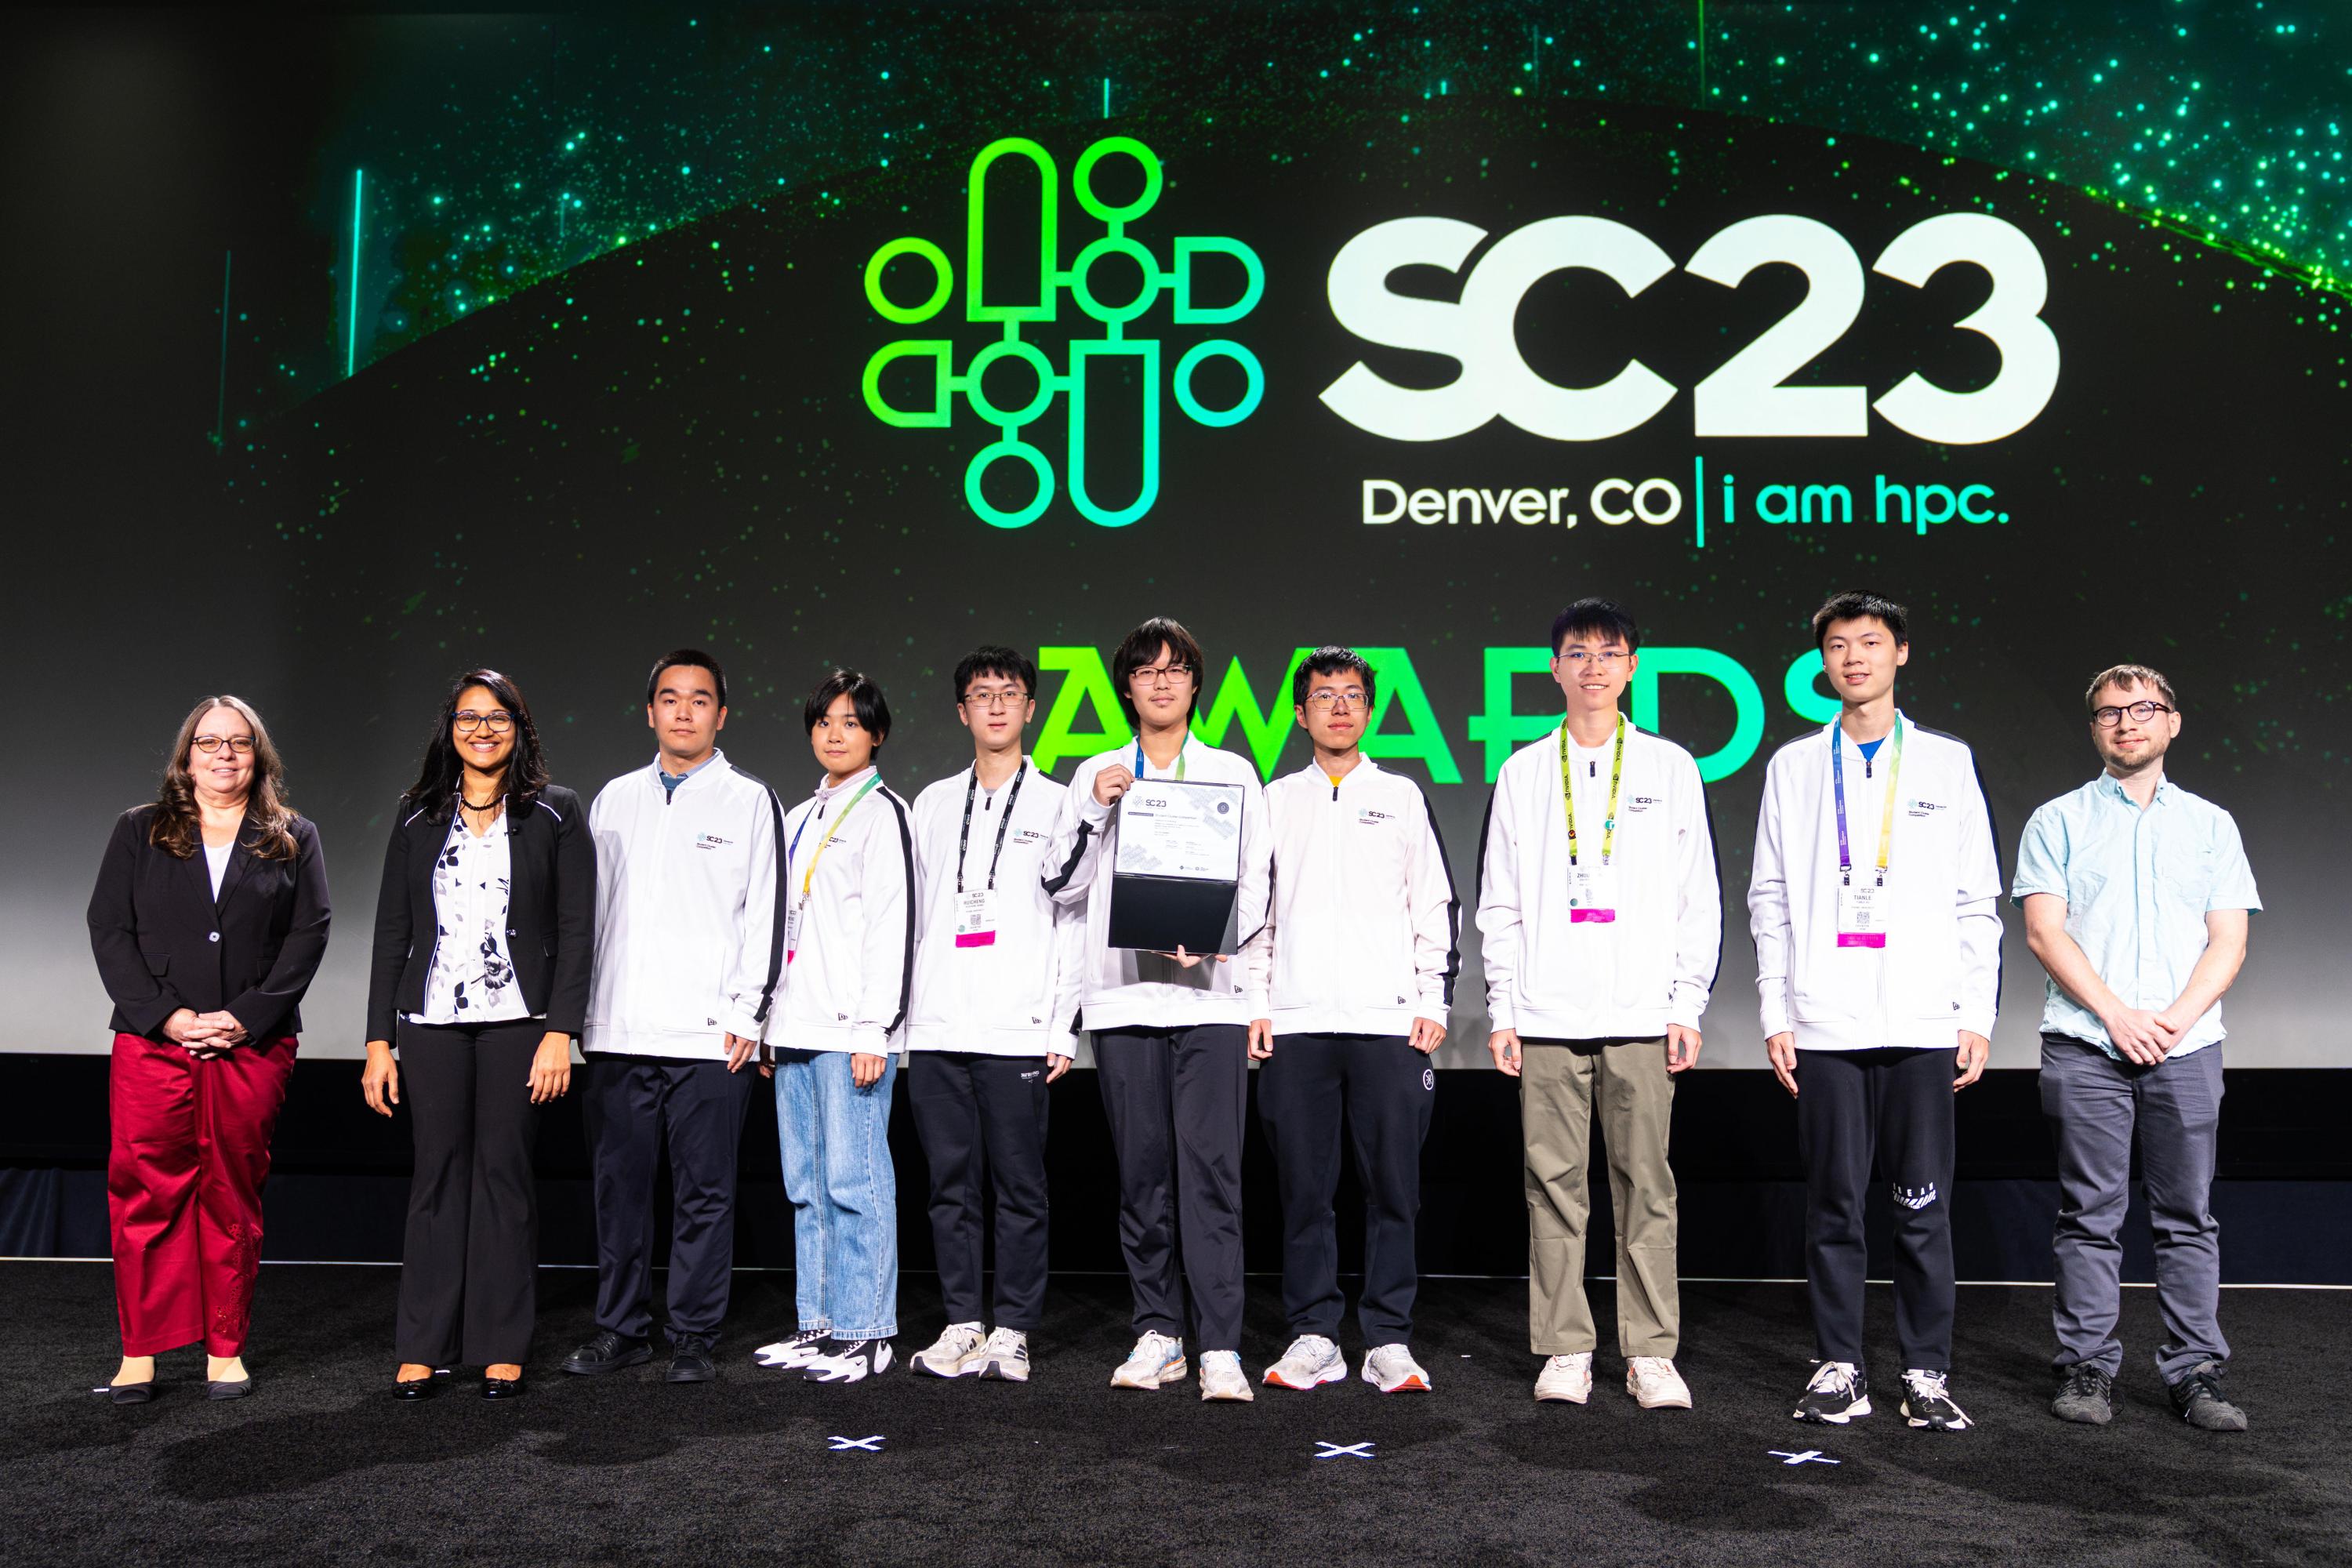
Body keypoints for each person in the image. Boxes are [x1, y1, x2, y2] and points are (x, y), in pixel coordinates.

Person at [1748, 590, 2000, 1433]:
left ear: (1901, 653)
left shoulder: (1947, 762)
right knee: (1834, 1206)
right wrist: (1777, 1011)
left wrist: (1976, 1012)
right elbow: (1770, 898)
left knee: (1922, 1208)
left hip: (1924, 1022)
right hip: (1824, 1022)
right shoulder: (1793, 766)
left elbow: (1976, 899)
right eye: (1838, 644)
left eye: (1870, 641)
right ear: (1821, 661)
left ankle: (1926, 1371)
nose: (1853, 657)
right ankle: (1839, 1365)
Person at [1477, 601, 1719, 1410]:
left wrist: (1686, 1003)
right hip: (1547, 1014)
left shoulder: (1668, 767)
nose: (1593, 667)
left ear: (1632, 667)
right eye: (1577, 653)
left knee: (1647, 1185)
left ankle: (1650, 1352)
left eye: (1608, 653)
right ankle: (1566, 1346)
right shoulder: (1522, 771)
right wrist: (1504, 1009)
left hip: (1643, 1014)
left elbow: (1697, 897)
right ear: (1554, 668)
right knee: (1552, 1186)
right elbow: (1500, 903)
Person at [2014, 664, 2258, 1432]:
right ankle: (2086, 1366)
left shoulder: (2211, 825)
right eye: (2110, 712)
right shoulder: (2057, 819)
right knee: (2090, 1213)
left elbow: (2229, 939)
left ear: (2172, 722)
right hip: (2087, 1042)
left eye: (2144, 708)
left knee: (2188, 1215)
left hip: (2188, 1045)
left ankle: (2196, 1372)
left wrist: (2174, 1020)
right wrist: (2118, 1015)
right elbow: (2044, 932)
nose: (2127, 722)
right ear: (2094, 727)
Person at [1044, 615, 1273, 1403]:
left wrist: (1212, 939)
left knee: (1213, 1177)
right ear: (1128, 687)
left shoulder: (1231, 772)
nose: (1162, 681)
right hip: (1123, 1001)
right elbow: (1059, 885)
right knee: (1143, 1178)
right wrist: (1093, 809)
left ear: (1195, 683)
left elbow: (1257, 881)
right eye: (1147, 671)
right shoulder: (1096, 772)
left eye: (1176, 669)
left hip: (1210, 1003)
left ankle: (1221, 1346)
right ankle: (1158, 1332)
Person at [86, 695, 330, 1403]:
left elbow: (309, 932)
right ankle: (140, 1352)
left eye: (239, 743)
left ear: (258, 756)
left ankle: (225, 1349)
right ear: (186, 757)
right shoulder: (139, 830)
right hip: (153, 1044)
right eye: (209, 742)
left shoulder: (293, 836)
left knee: (231, 1193)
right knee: (146, 1192)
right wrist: (166, 1017)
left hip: (250, 1046)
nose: (224, 754)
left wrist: (245, 1017)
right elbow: (109, 927)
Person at [361, 669, 593, 1400]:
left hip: (518, 1023)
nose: (482, 729)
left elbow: (577, 930)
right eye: (468, 717)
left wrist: (561, 1031)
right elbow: (392, 932)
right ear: (450, 728)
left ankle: (500, 1343)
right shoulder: (417, 813)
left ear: (519, 728)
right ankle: (424, 1345)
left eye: (497, 717)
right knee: (436, 1175)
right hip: (431, 1021)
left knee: (504, 1176)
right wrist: (377, 1040)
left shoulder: (556, 810)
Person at [561, 650, 785, 1385]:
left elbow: (768, 916)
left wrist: (749, 1016)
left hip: (711, 1037)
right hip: (619, 1032)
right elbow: (590, 917)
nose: (683, 711)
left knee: (704, 1195)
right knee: (619, 1192)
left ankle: (692, 1334)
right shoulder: (614, 799)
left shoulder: (749, 800)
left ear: (721, 715)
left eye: (699, 699)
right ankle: (621, 1329)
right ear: (650, 711)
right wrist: (581, 1015)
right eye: (669, 698)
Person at [1249, 648, 1457, 1396]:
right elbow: (1254, 913)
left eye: (1352, 696)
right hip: (1297, 1024)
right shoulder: (1274, 800)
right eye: (1323, 696)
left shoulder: (1400, 795)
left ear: (1369, 711)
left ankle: (1388, 1339)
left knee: (1393, 1191)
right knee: (1304, 1192)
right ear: (1300, 713)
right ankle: (1314, 1334)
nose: (1339, 707)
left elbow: (1433, 902)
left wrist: (1432, 1000)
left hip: (1389, 1026)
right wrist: (1257, 1003)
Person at [902, 647, 1083, 1383]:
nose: (998, 705)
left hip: (1017, 1027)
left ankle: (1012, 1330)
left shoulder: (1061, 803)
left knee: (1020, 1189)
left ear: (1030, 708)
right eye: (982, 694)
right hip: (937, 1026)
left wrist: (1062, 1024)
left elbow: (1074, 922)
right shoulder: (931, 803)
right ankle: (961, 1322)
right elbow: (912, 918)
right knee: (949, 1188)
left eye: (1010, 693)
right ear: (962, 712)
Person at [754, 669, 915, 1385]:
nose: (835, 734)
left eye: (851, 722)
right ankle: (818, 1324)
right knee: (806, 1186)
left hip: (852, 1032)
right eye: (824, 722)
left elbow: (892, 927)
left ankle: (866, 1330)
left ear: (875, 734)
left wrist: (874, 1028)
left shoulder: (884, 814)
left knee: (856, 1183)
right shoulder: (797, 817)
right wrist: (767, 1022)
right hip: (795, 1026)